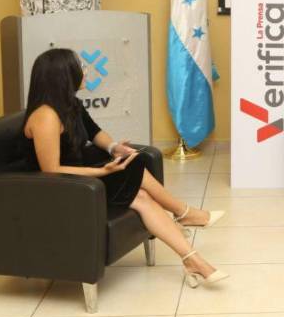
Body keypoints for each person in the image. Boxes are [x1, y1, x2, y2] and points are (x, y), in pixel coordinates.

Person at [21, 48, 228, 287]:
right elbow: (52, 170)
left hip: (79, 183)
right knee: (135, 171)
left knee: (140, 191)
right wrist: (101, 172)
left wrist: (113, 148)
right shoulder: (46, 116)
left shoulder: (69, 104)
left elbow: (94, 132)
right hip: (59, 190)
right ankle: (185, 214)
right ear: (63, 75)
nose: (85, 71)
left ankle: (192, 259)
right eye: (80, 67)